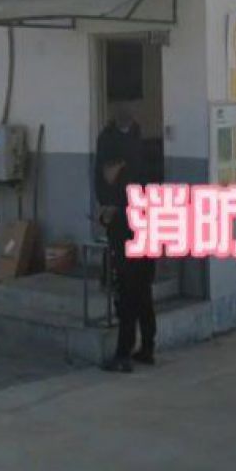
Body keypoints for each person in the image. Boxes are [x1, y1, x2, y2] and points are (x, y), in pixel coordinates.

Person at [94, 105, 156, 373]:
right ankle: (147, 347)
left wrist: (109, 207)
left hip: (126, 223)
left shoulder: (110, 140)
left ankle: (123, 353)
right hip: (147, 220)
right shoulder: (142, 140)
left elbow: (105, 178)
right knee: (142, 288)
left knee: (128, 289)